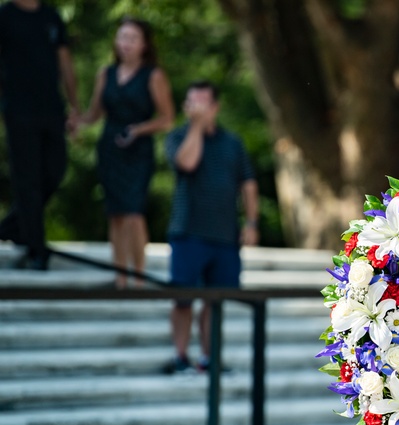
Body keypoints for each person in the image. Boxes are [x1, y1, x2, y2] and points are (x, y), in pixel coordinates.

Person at [162, 81, 258, 374]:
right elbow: (187, 163)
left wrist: (251, 222)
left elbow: (248, 183)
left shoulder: (232, 142)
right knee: (183, 299)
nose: (197, 109)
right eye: (192, 103)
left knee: (216, 301)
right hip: (188, 232)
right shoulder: (178, 136)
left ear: (215, 107)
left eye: (203, 103)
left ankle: (209, 358)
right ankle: (180, 357)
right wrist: (196, 127)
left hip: (225, 236)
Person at [77, 17, 174, 288]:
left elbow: (167, 118)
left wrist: (139, 130)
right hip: (110, 146)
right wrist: (77, 121)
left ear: (144, 44)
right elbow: (95, 113)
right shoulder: (105, 73)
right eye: (122, 37)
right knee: (115, 212)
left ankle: (138, 276)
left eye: (132, 38)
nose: (126, 44)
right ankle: (120, 276)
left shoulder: (153, 75)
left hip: (137, 148)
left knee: (133, 212)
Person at [0, 0, 79, 270]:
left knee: (55, 171)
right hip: (18, 110)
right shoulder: (5, 15)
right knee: (27, 180)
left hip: (52, 109)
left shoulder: (51, 16)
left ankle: (13, 226)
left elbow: (65, 63)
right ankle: (36, 247)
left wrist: (74, 106)